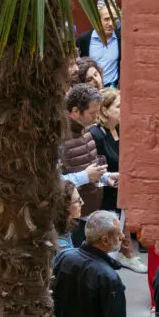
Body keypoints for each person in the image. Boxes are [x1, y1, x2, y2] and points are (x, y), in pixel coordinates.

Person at [90, 89, 146, 274]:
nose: (123, 110)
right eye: (118, 106)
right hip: (106, 195)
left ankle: (124, 254)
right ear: (105, 110)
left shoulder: (120, 130)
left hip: (121, 192)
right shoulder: (96, 134)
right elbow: (97, 168)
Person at [61, 83, 113, 247]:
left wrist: (106, 178)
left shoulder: (87, 132)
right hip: (71, 220)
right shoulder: (59, 139)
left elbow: (89, 170)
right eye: (92, 113)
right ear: (75, 111)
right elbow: (52, 181)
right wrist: (85, 176)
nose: (96, 117)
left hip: (90, 214)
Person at [77, 0, 121, 86]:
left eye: (114, 19)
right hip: (90, 91)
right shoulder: (84, 40)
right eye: (107, 19)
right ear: (97, 19)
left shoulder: (120, 39)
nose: (111, 24)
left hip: (112, 90)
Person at [54, 180, 84, 255]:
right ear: (64, 207)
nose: (82, 203)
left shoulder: (64, 226)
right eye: (77, 200)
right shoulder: (61, 247)